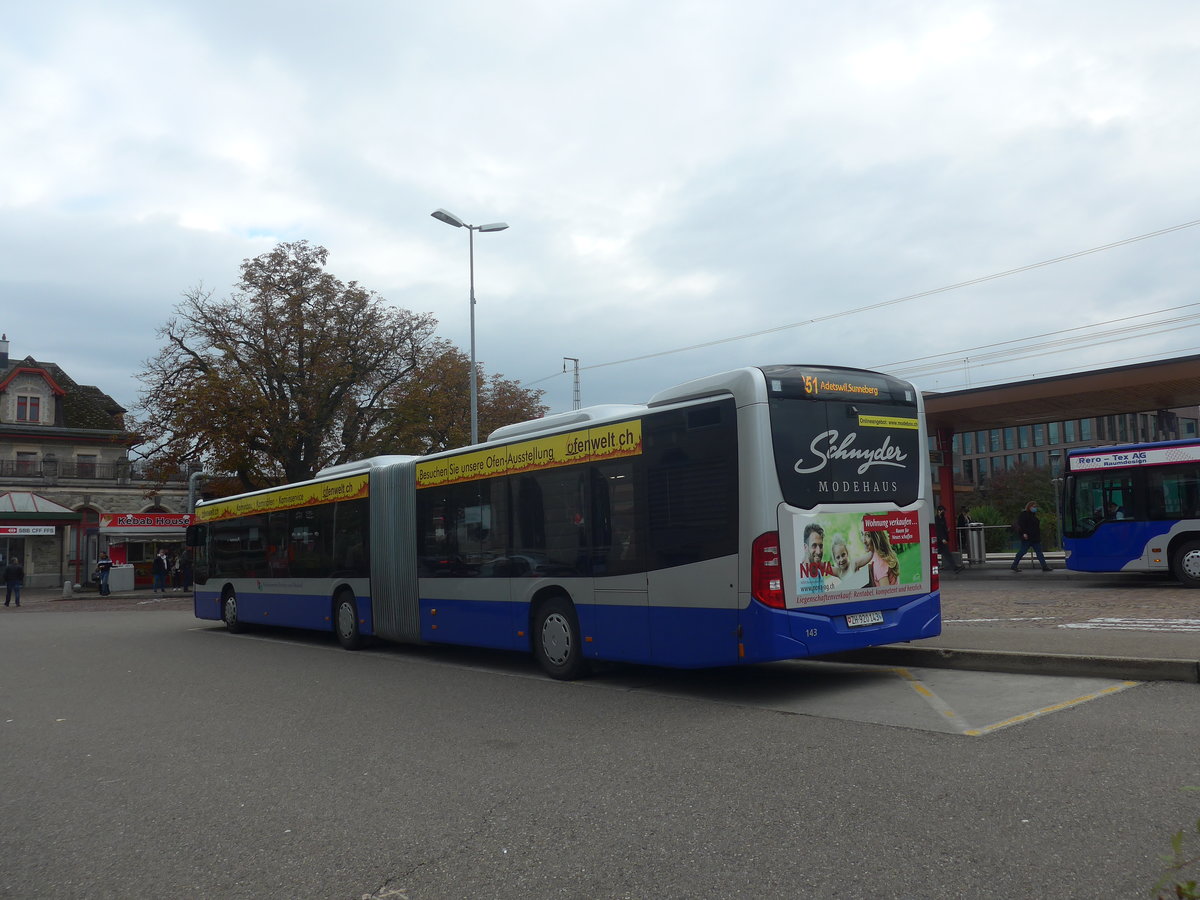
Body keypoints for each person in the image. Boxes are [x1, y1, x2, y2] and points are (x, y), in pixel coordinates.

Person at [1011, 500, 1053, 572]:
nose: (1035, 508)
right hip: (1027, 537)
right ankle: (1014, 565)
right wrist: (1024, 533)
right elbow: (1021, 525)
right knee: (1023, 552)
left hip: (1035, 538)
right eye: (1034, 507)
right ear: (1029, 507)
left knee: (1039, 553)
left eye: (1035, 507)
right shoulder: (1024, 514)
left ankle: (1044, 566)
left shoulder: (1033, 516)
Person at [935, 505, 965, 574]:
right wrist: (942, 538)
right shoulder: (936, 519)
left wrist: (947, 531)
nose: (943, 512)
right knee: (946, 554)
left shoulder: (942, 518)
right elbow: (938, 530)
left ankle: (954, 568)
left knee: (946, 554)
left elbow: (943, 528)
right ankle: (954, 568)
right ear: (939, 511)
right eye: (942, 511)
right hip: (940, 540)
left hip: (942, 539)